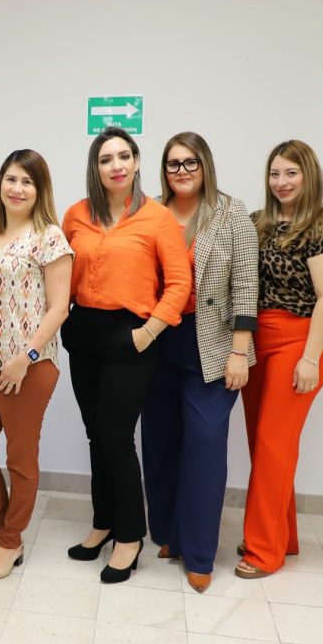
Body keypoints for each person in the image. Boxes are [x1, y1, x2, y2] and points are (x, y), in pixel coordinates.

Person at [60, 127, 191, 584]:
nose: (115, 165)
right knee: (96, 435)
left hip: (131, 336)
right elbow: (60, 275)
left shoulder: (158, 218)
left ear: (136, 163)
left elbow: (179, 284)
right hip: (83, 333)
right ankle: (104, 522)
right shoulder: (76, 214)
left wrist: (148, 332)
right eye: (105, 159)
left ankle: (131, 535)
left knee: (116, 436)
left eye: (123, 156)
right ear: (95, 168)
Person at [140, 132, 258, 593]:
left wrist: (239, 352)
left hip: (211, 345)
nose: (182, 171)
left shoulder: (231, 213)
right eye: (173, 163)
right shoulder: (150, 210)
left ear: (205, 165)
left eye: (191, 162)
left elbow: (246, 285)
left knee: (205, 447)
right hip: (158, 341)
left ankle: (200, 553)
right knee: (160, 443)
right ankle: (169, 534)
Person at [0, 149, 73, 583]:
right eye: (11, 179)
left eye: (27, 181)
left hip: (28, 366)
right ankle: (3, 531)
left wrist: (26, 358)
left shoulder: (49, 237)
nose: (17, 188)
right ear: (0, 183)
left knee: (20, 459)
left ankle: (9, 542)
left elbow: (59, 308)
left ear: (40, 190)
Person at [236, 140, 323, 579]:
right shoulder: (257, 223)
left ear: (309, 176)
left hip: (299, 341)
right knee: (263, 445)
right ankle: (283, 536)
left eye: (291, 173)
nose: (281, 182)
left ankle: (264, 551)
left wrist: (311, 358)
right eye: (275, 173)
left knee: (273, 443)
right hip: (255, 340)